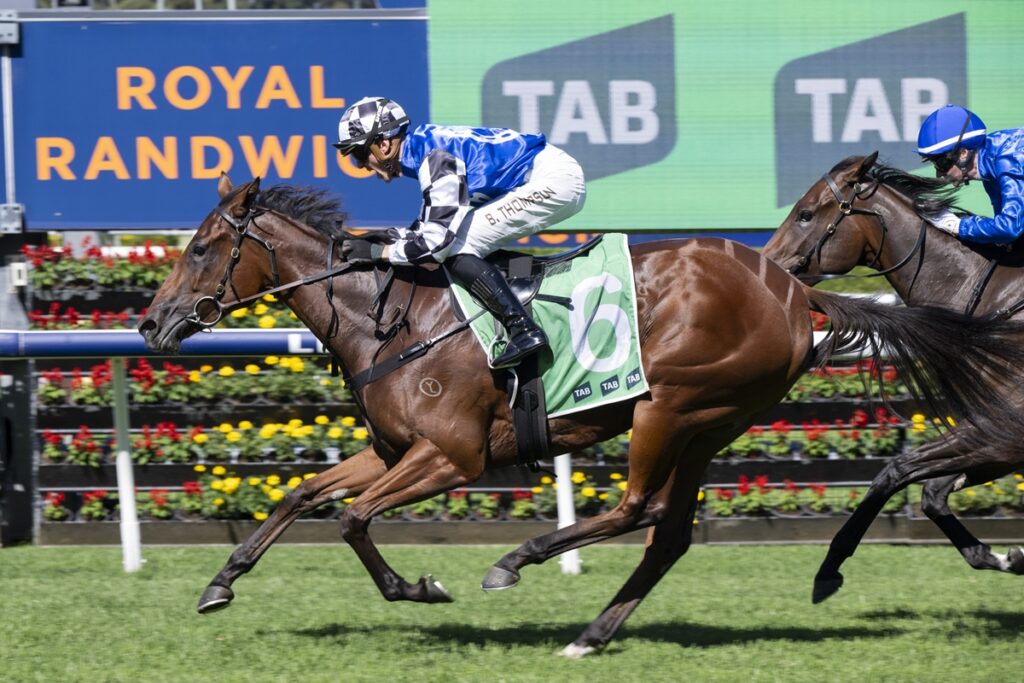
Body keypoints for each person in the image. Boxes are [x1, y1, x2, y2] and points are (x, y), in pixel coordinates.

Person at [332, 96, 587, 368]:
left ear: (383, 144)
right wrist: (373, 242)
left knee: (455, 247)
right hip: (549, 174)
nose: (360, 165)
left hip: (554, 180)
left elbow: (434, 245)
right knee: (460, 240)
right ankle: (527, 273)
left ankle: (523, 329)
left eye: (359, 154)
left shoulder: (435, 159)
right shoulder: (425, 149)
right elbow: (425, 228)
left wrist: (377, 252)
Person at [916, 104, 1024, 244]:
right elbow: (1007, 238)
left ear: (963, 153)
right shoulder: (989, 172)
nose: (938, 174)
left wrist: (956, 225)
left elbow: (1010, 227)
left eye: (941, 163)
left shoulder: (1009, 158)